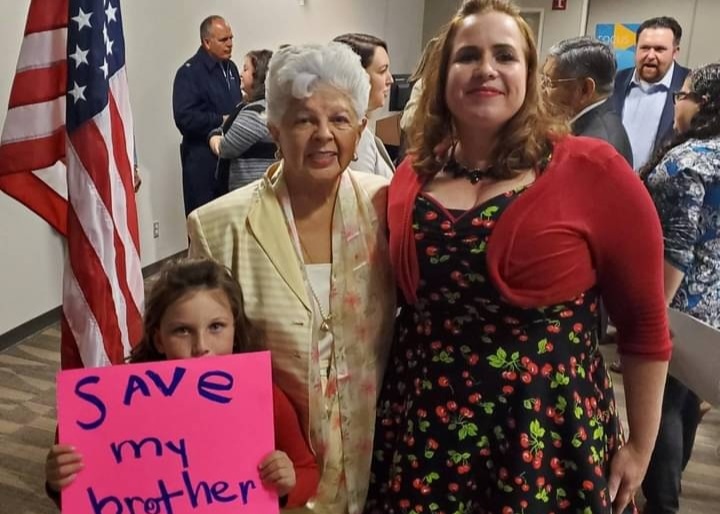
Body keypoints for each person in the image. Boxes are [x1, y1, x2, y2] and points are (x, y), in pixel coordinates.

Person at [364, 1, 671, 514]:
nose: (486, 68)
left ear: (529, 75)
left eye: (505, 55)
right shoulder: (412, 176)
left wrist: (641, 446)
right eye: (468, 56)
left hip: (544, 432)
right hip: (424, 428)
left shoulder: (593, 170)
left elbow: (644, 325)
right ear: (443, 77)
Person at [187, 43, 396, 514]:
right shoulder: (218, 227)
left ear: (361, 129)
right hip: (265, 478)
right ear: (275, 129)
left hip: (372, 468)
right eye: (304, 120)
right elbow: (187, 358)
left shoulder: (386, 207)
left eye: (340, 120)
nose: (324, 135)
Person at [45, 258, 319, 509]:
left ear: (235, 331)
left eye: (216, 327)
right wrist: (58, 481)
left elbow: (308, 471)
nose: (201, 346)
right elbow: (83, 488)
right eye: (182, 330)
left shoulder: (262, 397)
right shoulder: (112, 403)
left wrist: (286, 484)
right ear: (158, 339)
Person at [639, 62, 720, 514]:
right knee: (688, 402)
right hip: (714, 306)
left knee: (663, 406)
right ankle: (669, 492)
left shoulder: (687, 161)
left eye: (682, 95)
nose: (677, 102)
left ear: (703, 104)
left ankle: (661, 502)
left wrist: (654, 316)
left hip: (678, 305)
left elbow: (677, 247)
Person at [173, 15, 243, 215]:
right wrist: (221, 120)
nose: (230, 44)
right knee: (205, 223)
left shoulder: (230, 68)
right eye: (223, 40)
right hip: (202, 162)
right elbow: (184, 118)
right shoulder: (189, 73)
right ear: (206, 42)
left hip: (228, 158)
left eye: (231, 38)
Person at [609, 17, 689, 171]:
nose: (650, 55)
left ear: (675, 52)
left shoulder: (691, 89)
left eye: (659, 49)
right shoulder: (613, 83)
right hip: (611, 183)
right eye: (644, 48)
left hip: (659, 191)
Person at [543, 36, 633, 166]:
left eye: (549, 83)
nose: (541, 90)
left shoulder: (595, 147)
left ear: (585, 89)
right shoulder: (596, 121)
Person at [209, 49, 276, 191]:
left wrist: (214, 138)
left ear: (259, 76)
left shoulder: (256, 113)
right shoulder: (247, 106)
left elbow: (226, 148)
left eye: (246, 69)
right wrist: (218, 132)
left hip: (251, 191)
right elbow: (225, 126)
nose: (240, 74)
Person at [333, 33, 395, 178]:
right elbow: (360, 198)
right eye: (382, 71)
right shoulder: (356, 138)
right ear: (357, 77)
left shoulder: (361, 131)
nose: (390, 79)